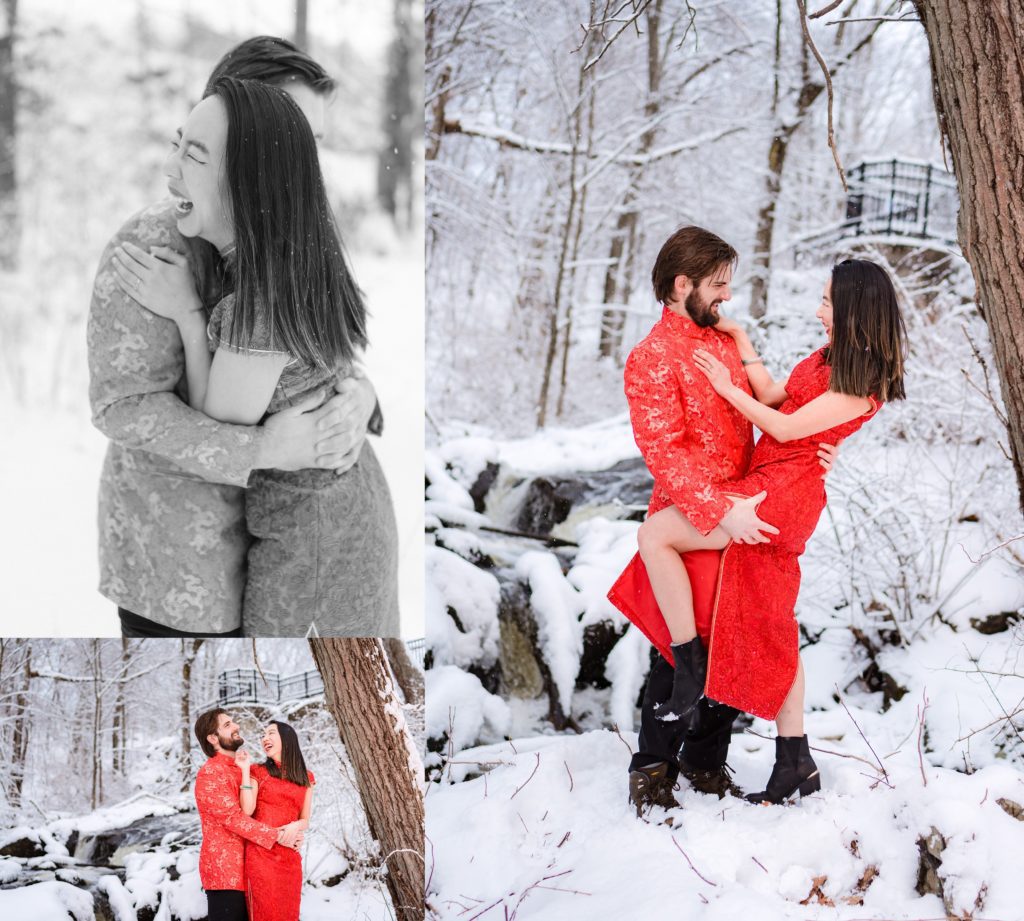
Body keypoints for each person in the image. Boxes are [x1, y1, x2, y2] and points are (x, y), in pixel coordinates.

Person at [88, 36, 383, 637]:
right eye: (286, 130)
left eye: (312, 142)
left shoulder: (287, 246)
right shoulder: (153, 248)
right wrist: (270, 450)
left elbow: (322, 354)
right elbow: (122, 405)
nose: (300, 158)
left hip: (295, 541)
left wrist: (362, 396)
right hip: (183, 565)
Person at [614, 256, 906, 805]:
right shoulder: (831, 359)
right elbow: (777, 397)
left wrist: (725, 386)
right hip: (777, 481)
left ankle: (689, 664)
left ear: (853, 307)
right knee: (768, 616)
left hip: (777, 494)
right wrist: (743, 338)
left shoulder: (865, 376)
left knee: (656, 536)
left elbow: (782, 424)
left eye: (827, 301)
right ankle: (793, 759)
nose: (819, 310)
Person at [193, 708, 303, 921]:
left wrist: (295, 830)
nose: (236, 726)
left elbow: (272, 806)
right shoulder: (210, 773)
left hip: (259, 871)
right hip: (226, 875)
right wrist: (279, 836)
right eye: (227, 725)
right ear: (213, 738)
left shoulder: (247, 769)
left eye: (233, 721)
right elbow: (233, 819)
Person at [237, 722, 314, 921]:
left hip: (289, 857)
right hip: (261, 856)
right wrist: (245, 770)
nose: (264, 738)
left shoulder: (306, 777)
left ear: (287, 739)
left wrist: (295, 826)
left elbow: (305, 819)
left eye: (271, 733)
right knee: (266, 913)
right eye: (263, 735)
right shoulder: (258, 771)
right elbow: (247, 811)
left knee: (288, 915)